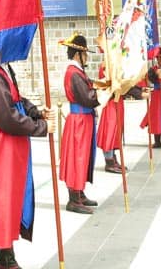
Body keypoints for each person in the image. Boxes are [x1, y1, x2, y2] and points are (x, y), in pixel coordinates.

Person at [0, 61, 55, 269]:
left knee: (9, 202)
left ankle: (6, 258)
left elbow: (17, 100)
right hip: (0, 148)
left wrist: (36, 112)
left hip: (10, 148)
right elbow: (7, 117)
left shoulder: (3, 70)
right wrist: (41, 127)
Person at [59, 34, 101, 214]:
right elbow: (87, 97)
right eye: (85, 54)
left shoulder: (77, 72)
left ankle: (79, 192)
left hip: (83, 120)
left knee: (82, 157)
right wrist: (101, 93)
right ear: (78, 55)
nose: (87, 58)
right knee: (78, 157)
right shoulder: (74, 73)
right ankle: (73, 199)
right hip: (79, 121)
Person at [95, 61, 125, 174]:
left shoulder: (117, 65)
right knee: (109, 131)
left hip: (118, 101)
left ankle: (112, 157)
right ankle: (109, 161)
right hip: (111, 101)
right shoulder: (105, 65)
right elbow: (105, 85)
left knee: (116, 132)